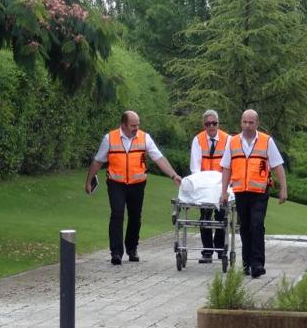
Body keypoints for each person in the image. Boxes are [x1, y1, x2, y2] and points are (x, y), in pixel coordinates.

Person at [85, 111, 182, 265]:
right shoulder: (110, 138)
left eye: (138, 125)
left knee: (135, 216)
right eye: (133, 125)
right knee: (117, 214)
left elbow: (158, 158)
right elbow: (98, 161)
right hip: (116, 183)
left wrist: (173, 175)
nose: (136, 128)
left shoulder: (144, 137)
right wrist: (89, 181)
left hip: (137, 184)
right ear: (123, 125)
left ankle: (132, 248)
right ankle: (116, 253)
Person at [220, 109, 287, 278]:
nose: (247, 126)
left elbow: (278, 165)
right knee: (245, 228)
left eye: (251, 123)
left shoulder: (266, 141)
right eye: (245, 122)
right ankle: (246, 263)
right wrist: (224, 192)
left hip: (259, 191)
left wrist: (283, 189)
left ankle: (257, 264)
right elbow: (226, 167)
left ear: (257, 124)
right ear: (241, 123)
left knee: (257, 225)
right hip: (241, 191)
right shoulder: (233, 142)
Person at [189, 109, 230, 263]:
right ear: (204, 125)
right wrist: (200, 185)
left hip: (221, 184)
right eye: (208, 124)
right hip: (204, 184)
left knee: (221, 217)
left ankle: (220, 249)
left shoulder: (228, 140)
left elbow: (229, 165)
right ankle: (207, 251)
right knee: (205, 217)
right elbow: (195, 165)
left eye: (214, 123)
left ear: (218, 123)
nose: (211, 127)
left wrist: (225, 187)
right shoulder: (198, 140)